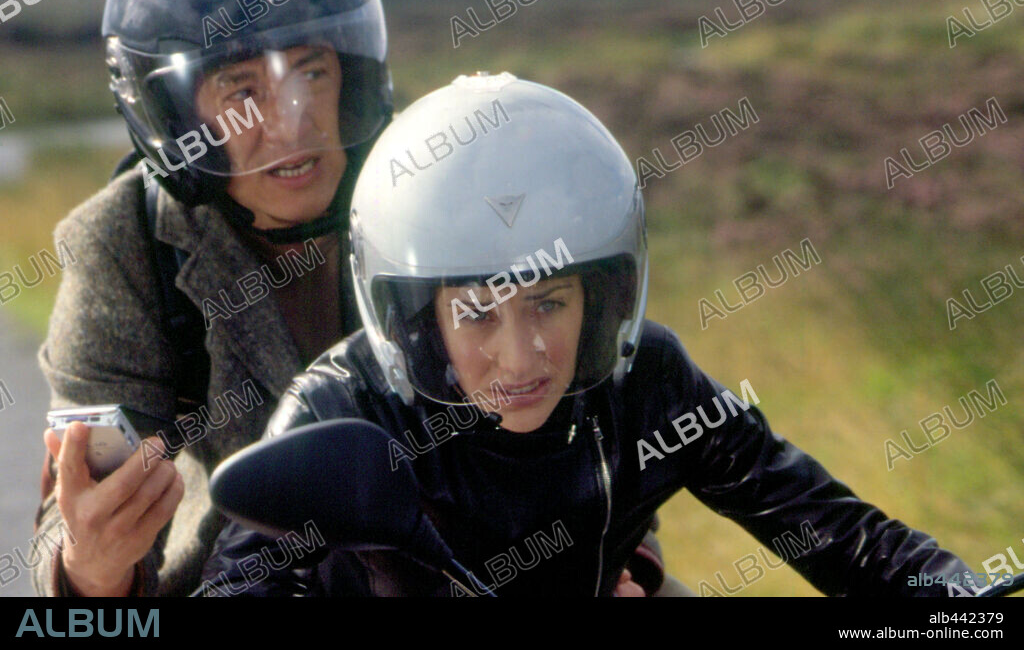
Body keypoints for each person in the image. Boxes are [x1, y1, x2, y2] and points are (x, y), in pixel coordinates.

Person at [201, 73, 972, 596]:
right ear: (413, 320)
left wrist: (963, 602)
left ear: (601, 298)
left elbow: (830, 528)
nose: (523, 355)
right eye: (477, 313)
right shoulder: (343, 408)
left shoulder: (649, 382)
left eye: (551, 301)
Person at [32, 0, 392, 597]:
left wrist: (617, 557)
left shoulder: (428, 186)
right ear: (173, 119)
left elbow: (576, 398)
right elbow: (71, 512)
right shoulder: (121, 242)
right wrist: (89, 568)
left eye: (311, 72)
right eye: (241, 91)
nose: (290, 124)